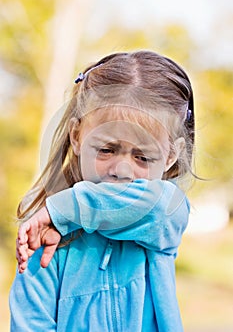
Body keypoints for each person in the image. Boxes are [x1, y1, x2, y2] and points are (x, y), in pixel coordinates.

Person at [10, 50, 195, 332]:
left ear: (171, 156)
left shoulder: (167, 212)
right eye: (107, 150)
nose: (122, 170)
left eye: (142, 157)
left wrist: (64, 209)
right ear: (76, 137)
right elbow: (30, 324)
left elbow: (148, 206)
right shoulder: (47, 241)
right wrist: (58, 218)